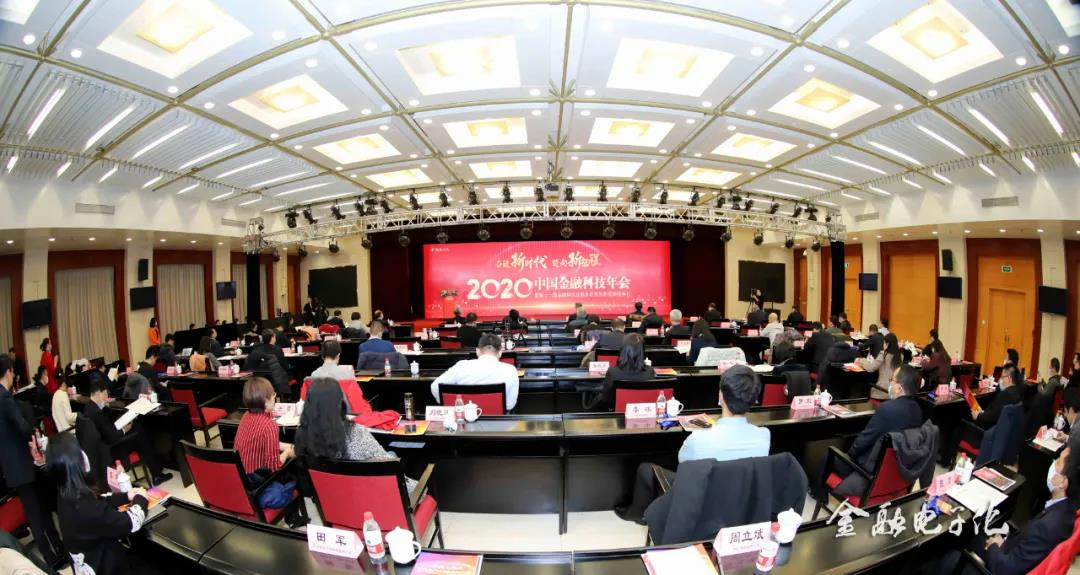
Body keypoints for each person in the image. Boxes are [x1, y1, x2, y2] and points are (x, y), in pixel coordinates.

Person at [616, 365, 769, 523]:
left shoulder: (699, 438)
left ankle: (637, 514)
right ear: (754, 400)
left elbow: (683, 462)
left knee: (645, 469)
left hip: (703, 502)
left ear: (721, 396)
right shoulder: (764, 436)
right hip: (738, 504)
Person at [48, 433, 147, 575]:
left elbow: (99, 503)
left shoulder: (66, 492)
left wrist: (126, 496)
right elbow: (130, 522)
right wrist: (140, 499)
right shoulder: (84, 507)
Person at [294, 378, 416, 491]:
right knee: (393, 457)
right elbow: (390, 469)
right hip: (373, 495)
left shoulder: (302, 436)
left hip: (333, 500)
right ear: (340, 402)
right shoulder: (356, 433)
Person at [0, 356, 64, 568]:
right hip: (21, 464)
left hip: (11, 466)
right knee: (38, 513)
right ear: (8, 372)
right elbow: (22, 427)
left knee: (35, 511)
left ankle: (54, 552)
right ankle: (53, 556)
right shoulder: (5, 398)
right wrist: (30, 426)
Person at [84, 379, 172, 485]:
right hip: (112, 449)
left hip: (103, 446)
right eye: (106, 393)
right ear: (99, 393)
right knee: (139, 433)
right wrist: (124, 430)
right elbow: (111, 437)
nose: (107, 396)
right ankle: (157, 474)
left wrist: (106, 407)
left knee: (137, 431)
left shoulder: (89, 408)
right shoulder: (97, 413)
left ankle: (156, 467)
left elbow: (106, 426)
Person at [843, 365, 923, 475]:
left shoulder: (887, 408)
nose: (890, 383)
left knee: (827, 457)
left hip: (871, 468)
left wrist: (848, 456)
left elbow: (864, 440)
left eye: (892, 380)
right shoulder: (918, 410)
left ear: (899, 388)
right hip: (898, 468)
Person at [431, 334, 519, 412]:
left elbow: (435, 387)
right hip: (497, 423)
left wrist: (453, 406)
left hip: (462, 422)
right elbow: (509, 405)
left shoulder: (461, 366)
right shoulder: (510, 370)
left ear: (477, 351)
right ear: (500, 353)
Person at [233, 377, 293, 476]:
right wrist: (287, 452)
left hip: (240, 474)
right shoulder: (269, 426)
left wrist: (288, 446)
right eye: (273, 394)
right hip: (255, 478)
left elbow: (262, 442)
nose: (274, 398)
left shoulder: (246, 415)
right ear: (265, 401)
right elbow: (274, 467)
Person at [585, 334, 655, 412]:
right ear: (642, 351)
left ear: (623, 350)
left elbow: (606, 399)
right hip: (642, 413)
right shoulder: (650, 372)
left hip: (616, 414)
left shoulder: (613, 372)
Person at [975, 365, 1023, 429]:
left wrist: (978, 416)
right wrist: (983, 412)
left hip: (989, 430)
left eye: (1002, 377)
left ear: (1009, 378)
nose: (1001, 380)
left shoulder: (1006, 394)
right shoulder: (1018, 391)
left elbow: (992, 417)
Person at [244, 330, 290, 397]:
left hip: (259, 379)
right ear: (272, 338)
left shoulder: (256, 349)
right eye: (274, 336)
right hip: (275, 379)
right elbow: (285, 366)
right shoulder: (277, 349)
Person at [858, 333, 901, 398]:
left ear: (887, 344)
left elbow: (871, 368)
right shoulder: (900, 356)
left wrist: (861, 360)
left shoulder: (883, 354)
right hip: (895, 391)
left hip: (882, 390)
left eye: (884, 343)